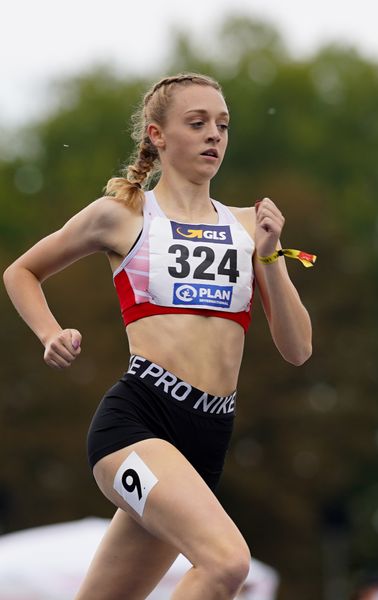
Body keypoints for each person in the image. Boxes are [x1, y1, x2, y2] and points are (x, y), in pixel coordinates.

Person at [3, 72, 314, 600]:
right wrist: (49, 333)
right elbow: (21, 272)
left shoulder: (248, 228)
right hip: (136, 424)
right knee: (226, 564)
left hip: (205, 441)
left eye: (222, 124)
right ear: (158, 135)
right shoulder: (122, 216)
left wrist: (270, 254)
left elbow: (298, 349)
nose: (214, 134)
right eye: (197, 123)